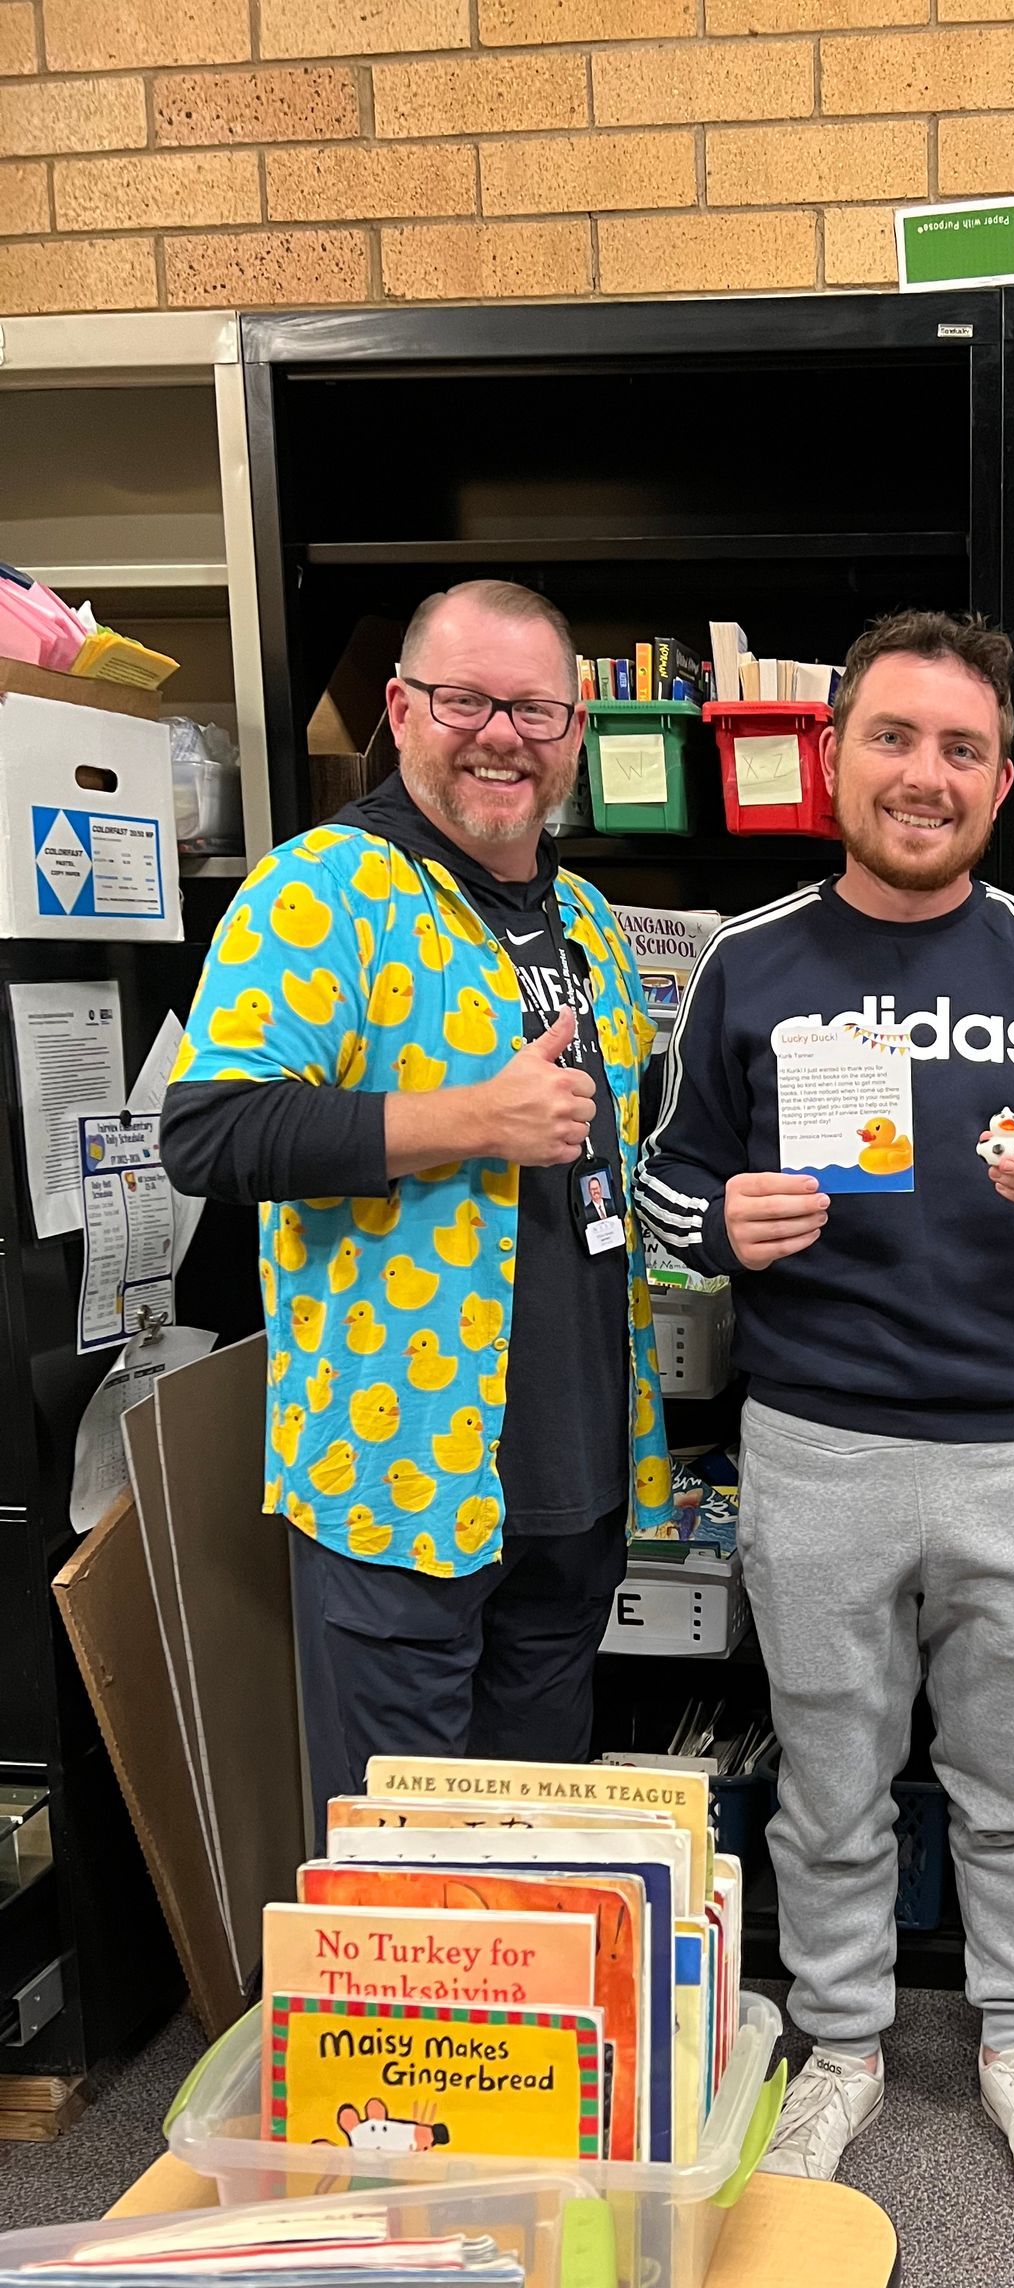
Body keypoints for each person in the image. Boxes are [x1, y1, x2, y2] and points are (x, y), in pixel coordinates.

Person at [638, 609, 1014, 2224]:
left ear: (1001, 782)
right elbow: (658, 1193)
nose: (924, 776)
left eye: (961, 750)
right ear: (836, 754)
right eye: (894, 738)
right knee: (833, 1780)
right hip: (820, 1449)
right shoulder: (750, 959)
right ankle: (847, 2048)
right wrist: (723, 1231)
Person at [162, 578, 677, 1821]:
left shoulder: (590, 919)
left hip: (573, 1479)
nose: (503, 733)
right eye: (466, 700)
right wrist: (467, 1122)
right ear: (400, 710)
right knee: (409, 1866)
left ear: (574, 735)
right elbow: (209, 1129)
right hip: (404, 1488)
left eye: (536, 709)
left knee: (535, 1856)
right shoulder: (321, 892)